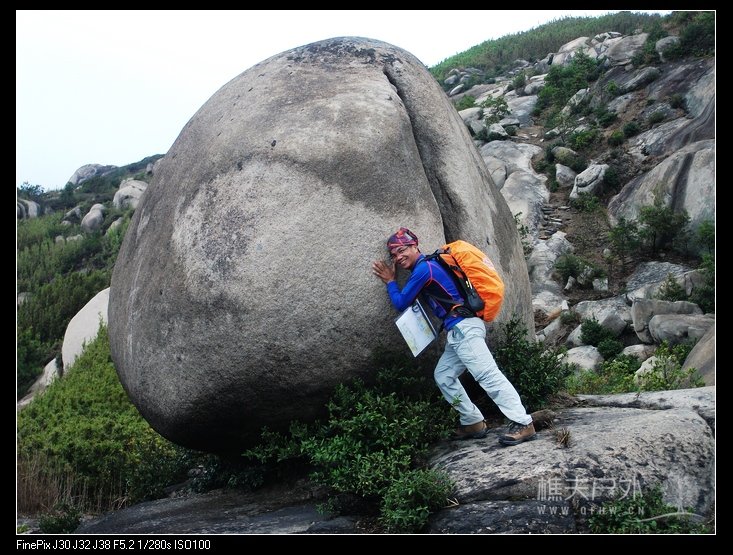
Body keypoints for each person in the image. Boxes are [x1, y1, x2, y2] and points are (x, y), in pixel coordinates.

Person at [371, 227, 535, 446]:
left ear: (415, 246)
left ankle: (523, 422)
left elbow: (401, 302)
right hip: (459, 331)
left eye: (402, 250)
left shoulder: (425, 269)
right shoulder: (428, 266)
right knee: (444, 375)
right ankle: (472, 421)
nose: (398, 257)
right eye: (394, 255)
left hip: (463, 329)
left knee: (487, 375)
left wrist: (391, 281)